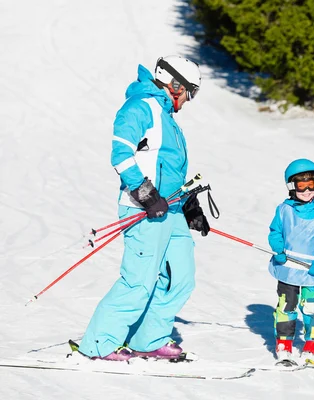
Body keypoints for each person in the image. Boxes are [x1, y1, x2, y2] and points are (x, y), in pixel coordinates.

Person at [77, 55, 210, 361]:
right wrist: (146, 194)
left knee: (181, 277)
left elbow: (167, 168)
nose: (187, 100)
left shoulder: (167, 118)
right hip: (144, 210)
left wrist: (189, 204)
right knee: (139, 280)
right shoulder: (140, 107)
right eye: (188, 92)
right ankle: (99, 343)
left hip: (171, 211)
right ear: (174, 84)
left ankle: (148, 339)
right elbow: (120, 154)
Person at [267, 159, 314, 361]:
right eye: (301, 186)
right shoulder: (284, 210)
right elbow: (275, 232)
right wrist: (278, 249)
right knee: (286, 305)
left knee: (310, 305)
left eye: (312, 185)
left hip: (310, 270)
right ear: (292, 187)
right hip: (288, 267)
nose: (307, 190)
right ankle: (284, 342)